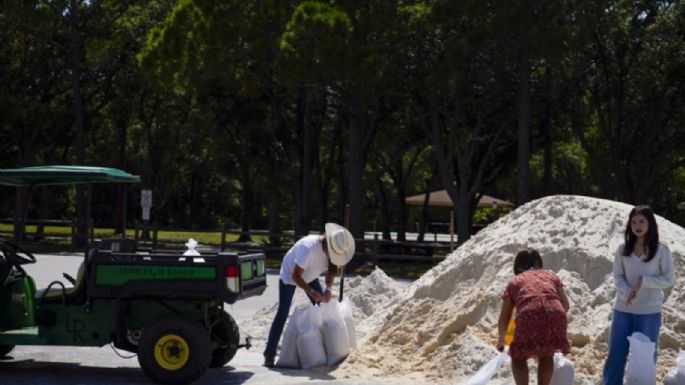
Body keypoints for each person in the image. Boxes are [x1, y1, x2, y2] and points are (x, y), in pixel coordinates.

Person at [263, 222, 355, 367]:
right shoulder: (308, 249)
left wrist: (328, 289)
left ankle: (326, 349)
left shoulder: (334, 253)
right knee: (283, 312)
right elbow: (296, 276)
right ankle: (269, 355)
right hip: (290, 275)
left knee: (322, 307)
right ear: (327, 245)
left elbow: (331, 272)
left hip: (311, 274)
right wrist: (311, 292)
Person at [603, 205, 675, 385]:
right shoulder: (622, 249)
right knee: (616, 352)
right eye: (634, 221)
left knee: (645, 355)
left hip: (649, 311)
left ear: (650, 223)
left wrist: (646, 282)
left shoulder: (661, 250)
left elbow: (669, 279)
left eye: (642, 221)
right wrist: (627, 291)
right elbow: (618, 276)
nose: (638, 225)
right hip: (623, 309)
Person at [497, 249, 570, 385]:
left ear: (518, 267)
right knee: (547, 353)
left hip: (529, 315)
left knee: (518, 355)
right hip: (556, 314)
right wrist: (550, 318)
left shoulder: (515, 281)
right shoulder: (551, 276)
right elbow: (565, 305)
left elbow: (504, 318)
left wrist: (502, 339)